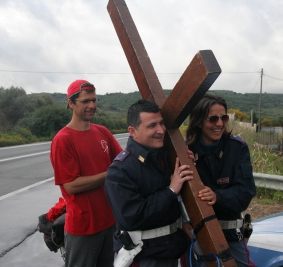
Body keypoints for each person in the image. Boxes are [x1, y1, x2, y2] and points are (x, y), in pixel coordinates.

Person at [105, 99, 193, 267]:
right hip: (144, 256)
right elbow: (132, 216)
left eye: (161, 123)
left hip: (171, 249)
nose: (160, 130)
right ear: (133, 131)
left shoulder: (165, 158)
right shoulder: (120, 171)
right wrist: (171, 190)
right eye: (152, 126)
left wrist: (187, 162)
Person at [50, 79, 123, 267]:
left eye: (94, 100)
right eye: (86, 101)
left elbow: (124, 161)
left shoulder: (102, 132)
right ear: (71, 104)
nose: (92, 105)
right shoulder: (63, 140)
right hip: (84, 227)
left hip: (109, 222)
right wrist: (109, 174)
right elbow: (71, 185)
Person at [185, 93, 256, 267]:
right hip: (198, 235)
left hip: (231, 233)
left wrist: (217, 196)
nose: (219, 124)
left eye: (223, 117)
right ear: (199, 121)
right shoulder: (186, 151)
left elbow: (246, 192)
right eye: (213, 119)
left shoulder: (237, 148)